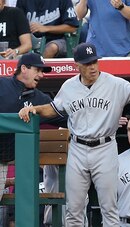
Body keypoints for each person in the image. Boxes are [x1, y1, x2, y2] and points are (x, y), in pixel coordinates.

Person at [18, 42, 130, 226]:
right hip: (77, 148)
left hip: (104, 147)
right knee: (73, 209)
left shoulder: (114, 83)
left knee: (109, 209)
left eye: (94, 61)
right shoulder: (69, 86)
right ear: (77, 65)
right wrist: (34, 109)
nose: (92, 67)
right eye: (87, 63)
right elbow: (53, 109)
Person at [0, 52, 67, 225]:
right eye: (38, 70)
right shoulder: (2, 84)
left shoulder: (39, 98)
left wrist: (100, 115)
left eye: (43, 71)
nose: (41, 75)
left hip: (5, 163)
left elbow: (66, 116)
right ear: (23, 69)